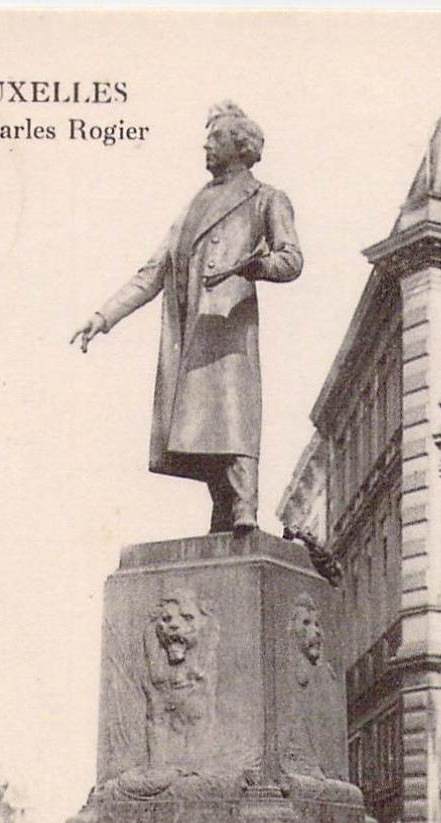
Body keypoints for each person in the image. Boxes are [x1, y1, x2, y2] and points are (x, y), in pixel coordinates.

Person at [71, 102, 303, 534]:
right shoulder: (194, 205)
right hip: (191, 332)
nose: (205, 145)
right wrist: (103, 317)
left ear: (241, 145)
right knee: (203, 426)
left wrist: (256, 267)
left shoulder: (266, 199)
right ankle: (225, 511)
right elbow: (153, 271)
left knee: (234, 417)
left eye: (215, 138)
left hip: (227, 327)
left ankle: (243, 507)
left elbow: (291, 260)